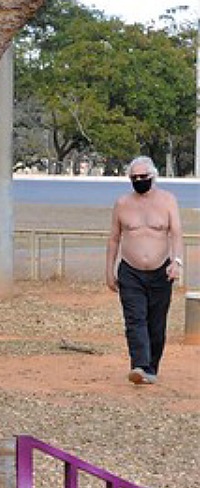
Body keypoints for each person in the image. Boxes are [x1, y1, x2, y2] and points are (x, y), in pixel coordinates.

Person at [105, 156, 184, 385]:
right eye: (134, 178)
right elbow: (113, 239)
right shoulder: (122, 203)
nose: (139, 181)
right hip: (131, 271)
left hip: (161, 271)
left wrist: (176, 262)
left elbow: (176, 234)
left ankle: (151, 367)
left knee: (156, 323)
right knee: (135, 319)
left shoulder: (168, 201)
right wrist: (109, 270)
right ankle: (139, 365)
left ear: (153, 177)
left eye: (143, 177)